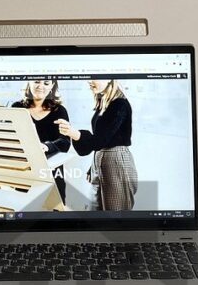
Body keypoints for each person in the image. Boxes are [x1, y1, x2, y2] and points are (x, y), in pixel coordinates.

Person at [56, 80, 137, 212]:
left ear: (109, 79)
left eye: (95, 76)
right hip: (102, 160)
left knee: (115, 216)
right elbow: (103, 140)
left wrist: (73, 133)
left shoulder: (119, 104)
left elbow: (100, 140)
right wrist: (94, 166)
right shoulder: (104, 102)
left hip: (115, 160)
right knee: (94, 213)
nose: (89, 81)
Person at [12, 79, 70, 200]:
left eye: (46, 83)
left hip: (52, 175)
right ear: (29, 82)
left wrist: (47, 146)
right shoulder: (16, 107)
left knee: (53, 209)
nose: (41, 86)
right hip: (25, 173)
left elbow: (65, 142)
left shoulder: (59, 110)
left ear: (52, 86)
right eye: (37, 81)